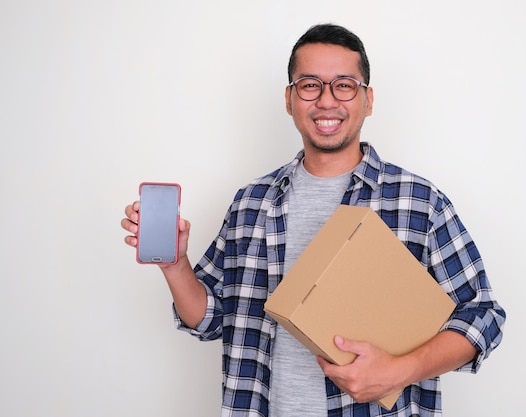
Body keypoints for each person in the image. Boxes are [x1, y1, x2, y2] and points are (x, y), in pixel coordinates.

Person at [121, 23, 506, 417]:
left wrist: (400, 370)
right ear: (289, 99)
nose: (326, 101)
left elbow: (484, 317)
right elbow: (210, 318)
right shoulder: (251, 202)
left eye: (344, 85)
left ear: (368, 100)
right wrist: (175, 264)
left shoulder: (419, 203)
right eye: (310, 85)